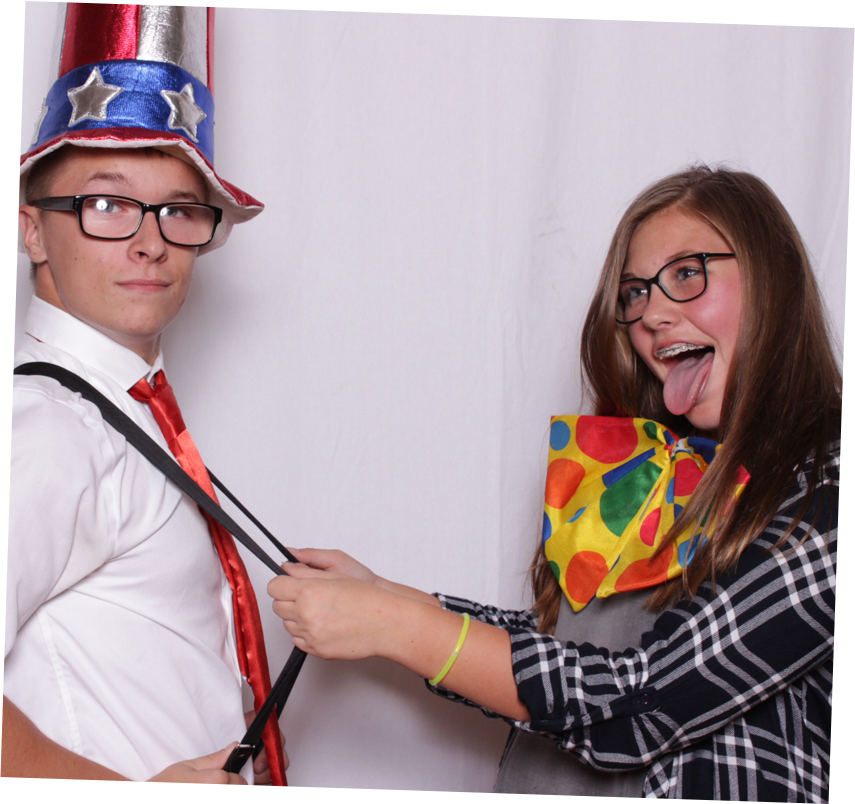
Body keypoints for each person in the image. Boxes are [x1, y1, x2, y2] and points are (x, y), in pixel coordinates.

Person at [267, 165, 855, 803]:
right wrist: (395, 599)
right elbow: (570, 650)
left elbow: (640, 699)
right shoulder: (655, 474)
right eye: (634, 293)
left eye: (688, 274)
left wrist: (400, 628)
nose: (652, 313)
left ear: (773, 281)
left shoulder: (838, 490)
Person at [0, 2, 289, 803]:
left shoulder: (122, 414)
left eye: (178, 209)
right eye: (106, 202)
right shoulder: (46, 429)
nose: (150, 239)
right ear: (33, 231)